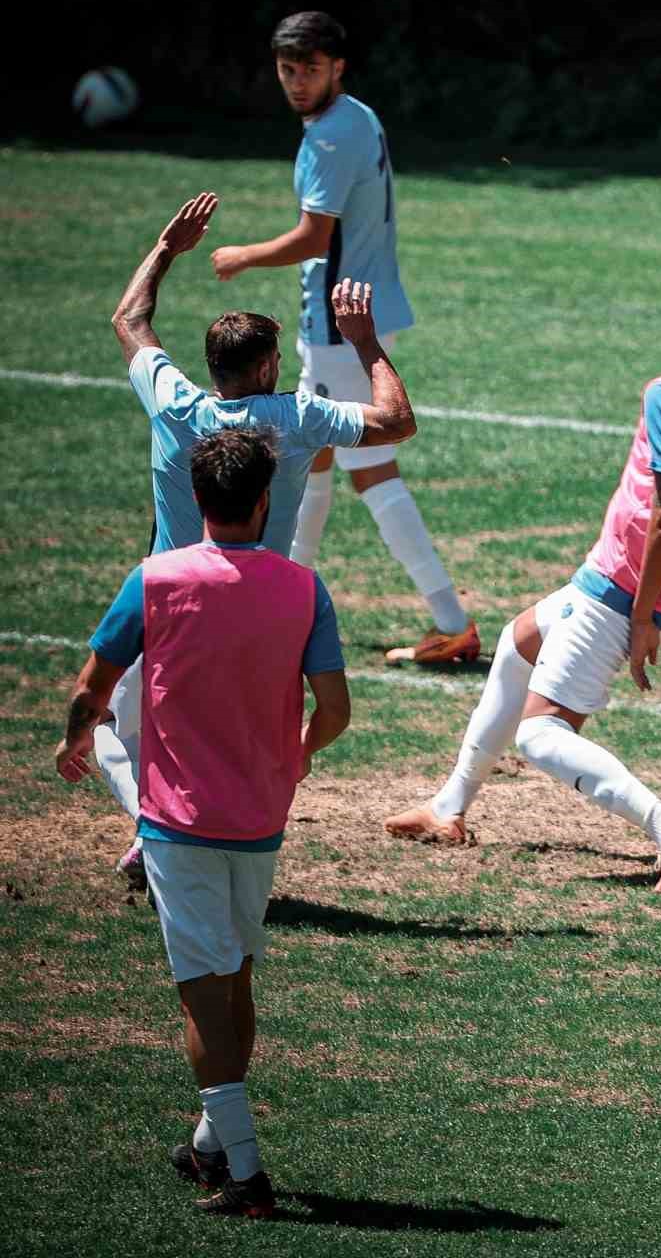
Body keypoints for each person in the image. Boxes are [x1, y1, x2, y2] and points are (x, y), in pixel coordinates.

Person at [384, 264, 661, 890]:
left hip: (622, 589)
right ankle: (448, 808)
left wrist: (640, 617)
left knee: (542, 736)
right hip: (637, 586)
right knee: (518, 641)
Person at [55, 429, 352, 1219]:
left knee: (201, 993)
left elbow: (94, 686)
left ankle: (247, 1172)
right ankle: (210, 1144)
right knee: (238, 974)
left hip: (179, 823)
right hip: (261, 817)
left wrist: (76, 735)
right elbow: (336, 711)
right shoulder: (302, 587)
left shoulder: (154, 579)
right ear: (263, 503)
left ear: (198, 502)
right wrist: (295, 753)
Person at [96, 195, 413, 893]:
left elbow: (129, 319)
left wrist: (165, 247)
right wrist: (362, 341)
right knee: (245, 737)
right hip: (267, 608)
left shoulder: (176, 402)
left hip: (174, 601)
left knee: (107, 731)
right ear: (269, 366)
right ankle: (192, 838)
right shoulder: (297, 415)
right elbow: (396, 421)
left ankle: (156, 829)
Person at [208, 9, 477, 668]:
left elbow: (313, 237)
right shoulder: (357, 115)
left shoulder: (329, 137)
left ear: (338, 66)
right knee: (320, 460)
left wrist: (242, 254)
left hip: (339, 324)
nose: (298, 82)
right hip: (350, 314)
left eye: (310, 69)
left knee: (351, 463)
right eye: (287, 70)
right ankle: (292, 607)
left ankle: (445, 621)